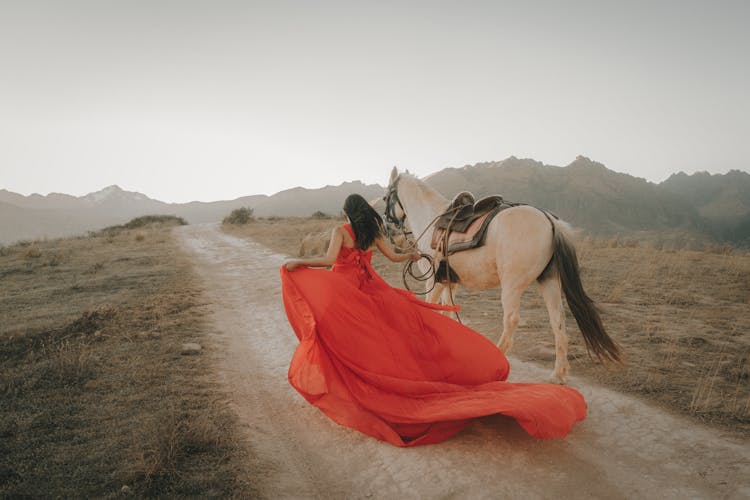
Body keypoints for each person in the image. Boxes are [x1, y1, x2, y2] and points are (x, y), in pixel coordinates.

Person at [280, 194, 586, 447]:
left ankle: (355, 385)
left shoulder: (340, 232)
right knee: (392, 333)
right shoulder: (373, 234)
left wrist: (298, 263)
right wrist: (413, 256)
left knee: (331, 333)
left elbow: (326, 261)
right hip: (372, 289)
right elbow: (396, 256)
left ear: (348, 212)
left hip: (345, 291)